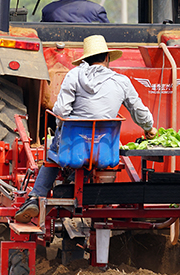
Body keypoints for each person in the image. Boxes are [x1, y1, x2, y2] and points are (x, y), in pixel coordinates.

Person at [15, 35, 156, 223]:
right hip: (105, 151)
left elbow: (61, 110)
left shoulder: (74, 75)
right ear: (107, 58)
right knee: (93, 149)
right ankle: (76, 183)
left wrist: (61, 128)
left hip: (73, 146)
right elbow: (139, 111)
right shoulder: (122, 81)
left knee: (52, 154)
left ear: (84, 60)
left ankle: (35, 197)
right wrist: (149, 128)